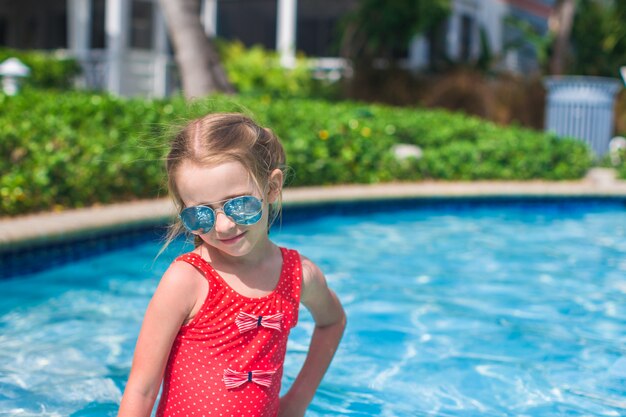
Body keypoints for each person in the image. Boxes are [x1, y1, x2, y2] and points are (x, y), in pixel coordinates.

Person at [118, 113, 346, 417]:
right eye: (201, 214)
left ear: (271, 188)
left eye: (238, 204)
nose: (223, 226)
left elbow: (332, 321)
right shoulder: (187, 280)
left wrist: (296, 402)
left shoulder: (298, 275)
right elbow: (142, 389)